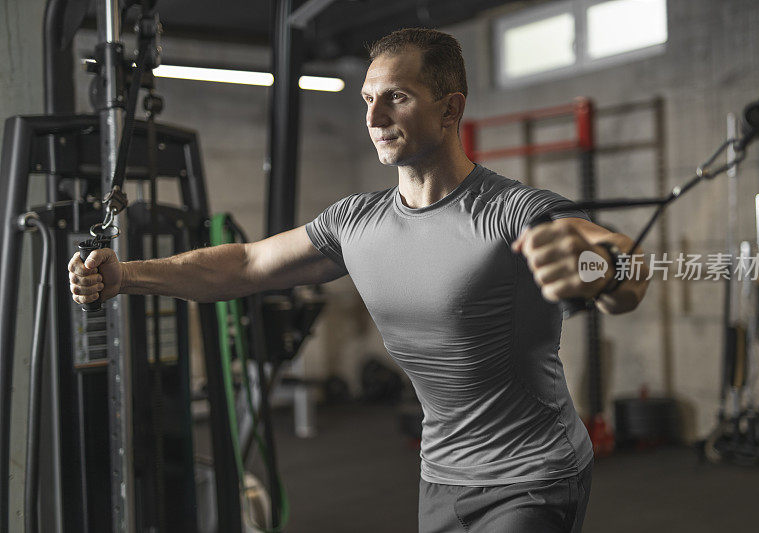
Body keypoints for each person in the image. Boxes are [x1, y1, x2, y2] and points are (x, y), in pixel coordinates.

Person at [69, 28, 648, 533]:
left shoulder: (513, 212)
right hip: (441, 474)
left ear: (450, 110)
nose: (373, 119)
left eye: (396, 98)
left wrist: (603, 267)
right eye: (368, 99)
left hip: (533, 475)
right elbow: (246, 265)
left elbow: (621, 267)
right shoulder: (356, 222)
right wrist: (126, 275)